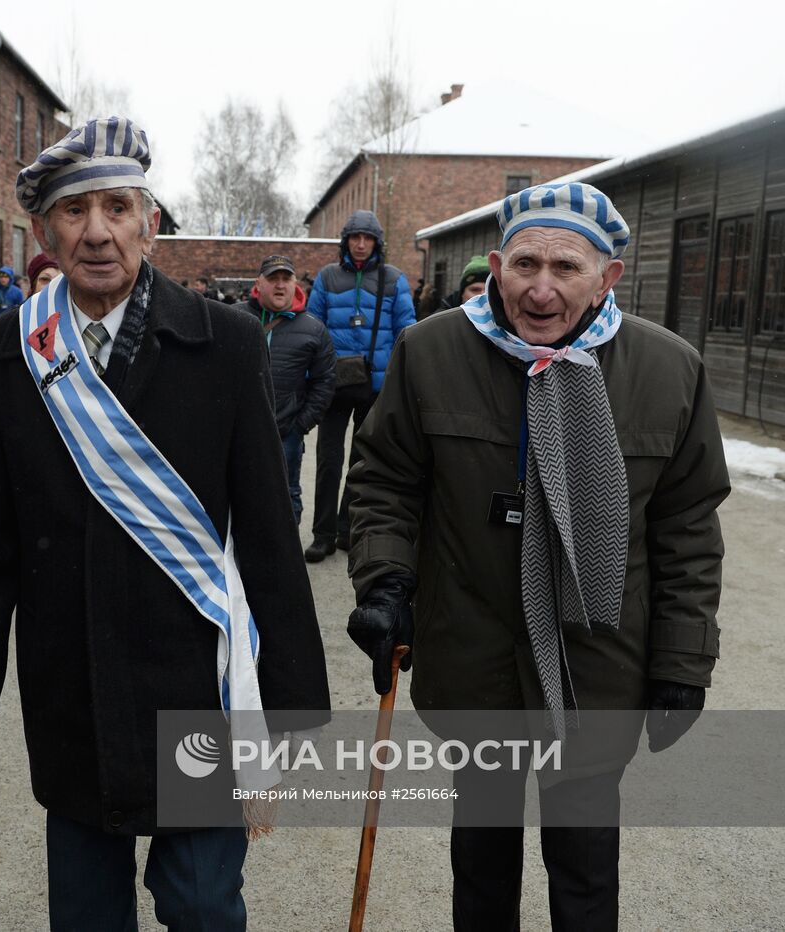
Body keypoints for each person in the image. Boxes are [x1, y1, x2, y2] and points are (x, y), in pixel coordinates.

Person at [0, 116, 330, 931]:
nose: (97, 233)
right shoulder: (12, 351)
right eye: (75, 213)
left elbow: (264, 524)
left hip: (196, 675)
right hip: (71, 670)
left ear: (150, 222)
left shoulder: (223, 343)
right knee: (86, 912)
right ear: (45, 231)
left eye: (117, 208)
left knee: (201, 905)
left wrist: (293, 696)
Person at [344, 182, 729, 928]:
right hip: (476, 656)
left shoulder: (670, 371)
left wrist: (683, 663)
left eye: (566, 267)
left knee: (585, 867)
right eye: (524, 265)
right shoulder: (431, 353)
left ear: (608, 277)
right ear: (494, 266)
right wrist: (386, 579)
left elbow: (687, 531)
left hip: (596, 665)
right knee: (481, 861)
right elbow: (385, 481)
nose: (541, 289)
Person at [304, 209, 416, 562]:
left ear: (377, 243)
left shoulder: (394, 279)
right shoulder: (326, 278)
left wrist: (400, 384)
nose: (361, 244)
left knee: (361, 463)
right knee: (328, 462)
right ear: (346, 241)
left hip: (375, 386)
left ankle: (345, 529)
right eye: (355, 237)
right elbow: (312, 330)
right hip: (333, 385)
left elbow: (405, 334)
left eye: (367, 238)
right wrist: (312, 378)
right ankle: (322, 534)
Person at [241, 255, 336, 525]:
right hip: (239, 431)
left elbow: (325, 381)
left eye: (286, 279)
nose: (280, 285)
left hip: (286, 433)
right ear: (259, 284)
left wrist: (300, 425)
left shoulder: (313, 329)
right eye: (273, 279)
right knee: (239, 495)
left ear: (295, 284)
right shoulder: (234, 317)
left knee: (286, 497)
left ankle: (285, 561)